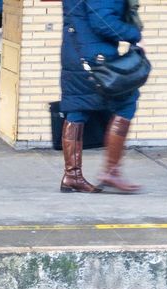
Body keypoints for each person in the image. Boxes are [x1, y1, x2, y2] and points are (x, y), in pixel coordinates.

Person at [59, 0, 142, 193]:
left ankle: (72, 175)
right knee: (126, 103)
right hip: (96, 59)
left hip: (75, 54)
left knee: (77, 109)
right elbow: (102, 22)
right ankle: (111, 172)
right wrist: (134, 34)